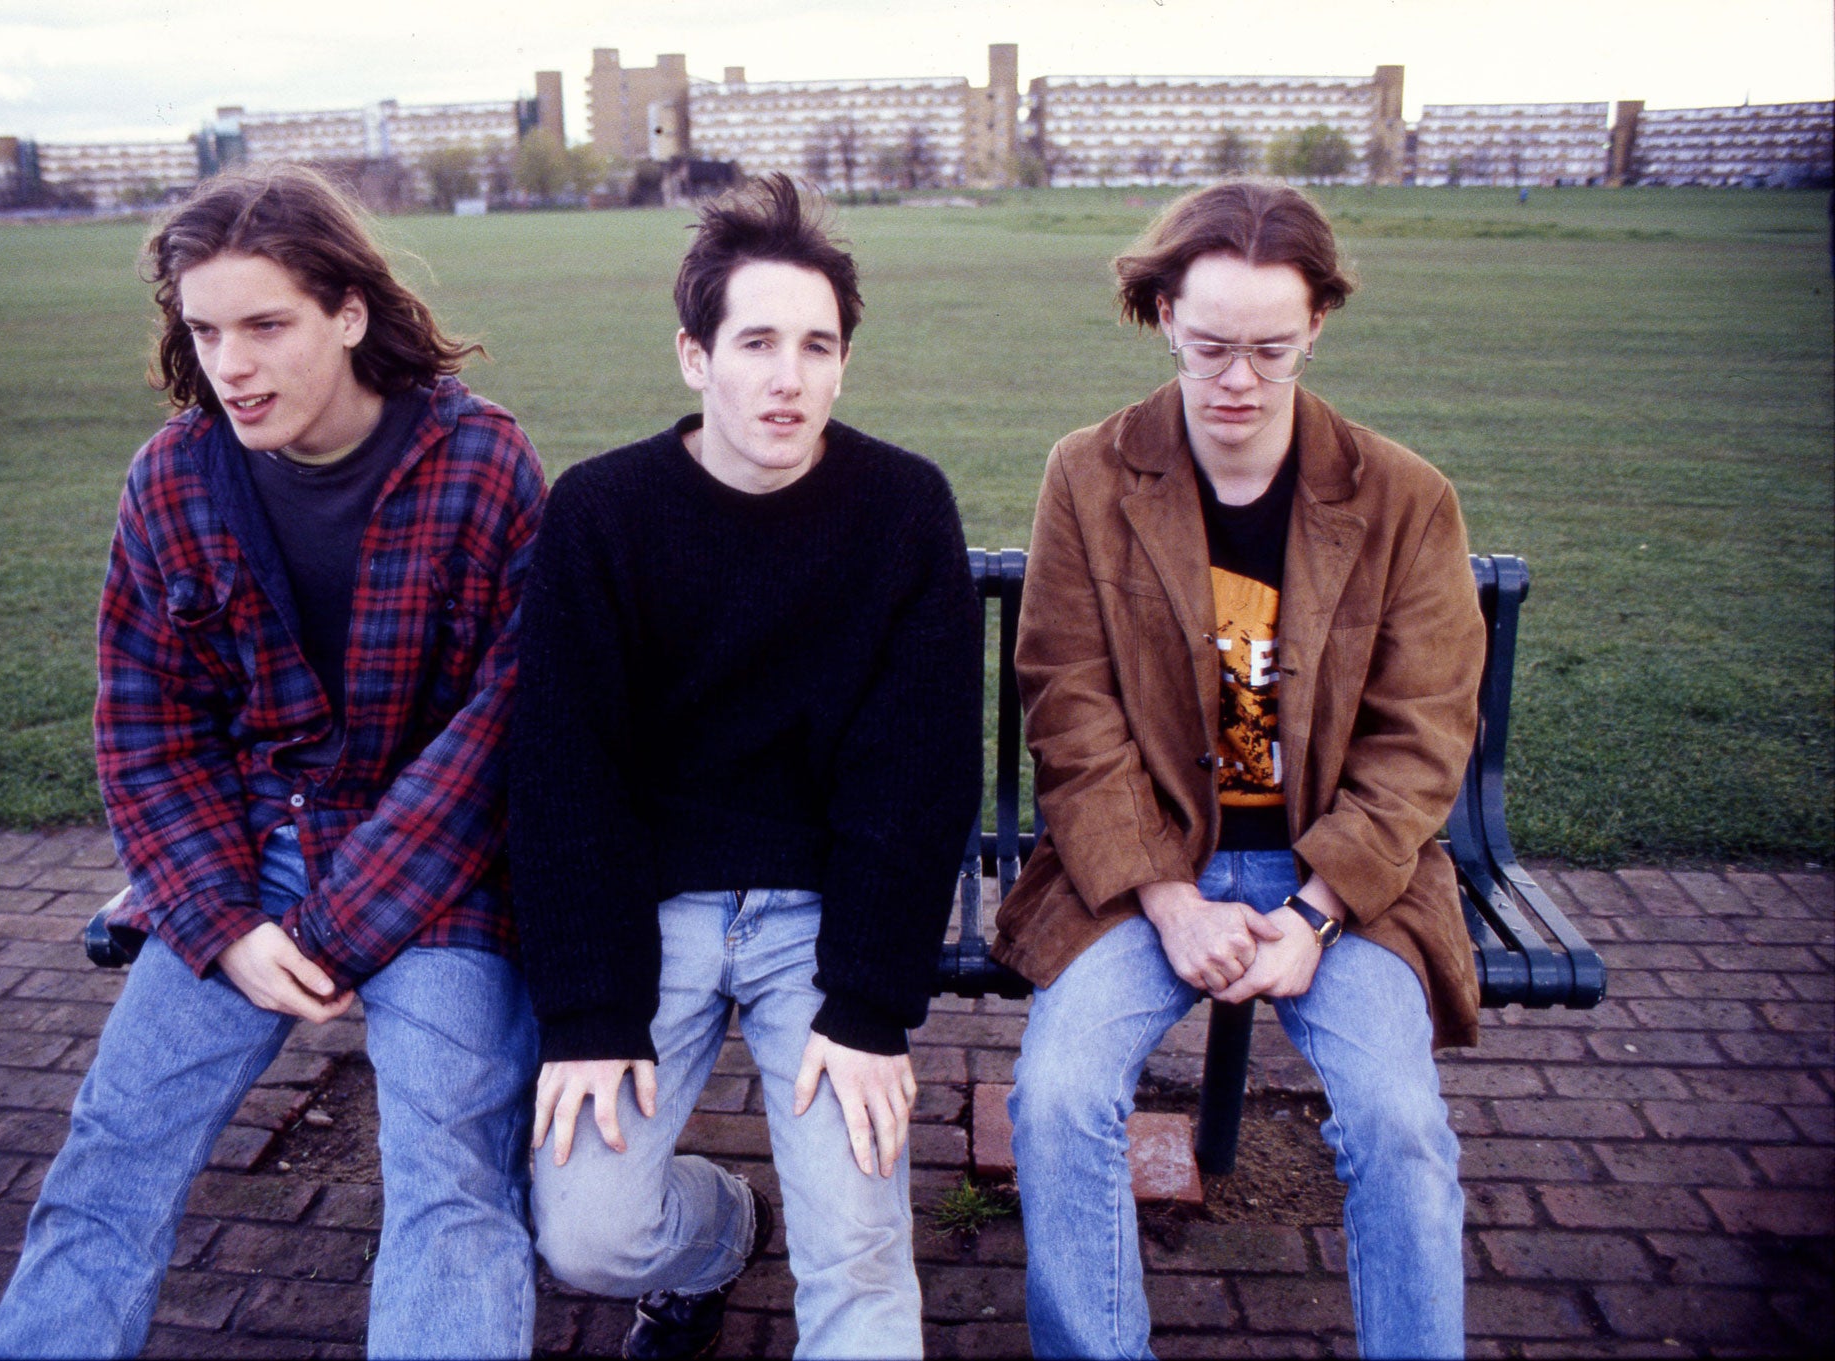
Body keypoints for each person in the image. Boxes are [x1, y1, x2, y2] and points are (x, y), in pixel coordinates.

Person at [0, 165, 544, 1359]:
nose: (232, 362)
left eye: (266, 324)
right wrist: (222, 920)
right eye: (206, 328)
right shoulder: (173, 480)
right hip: (242, 867)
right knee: (109, 1158)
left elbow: (499, 733)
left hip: (436, 880)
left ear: (346, 310)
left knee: (451, 1187)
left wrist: (340, 923)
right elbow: (147, 730)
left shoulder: (482, 464)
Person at [993, 179, 1484, 1361]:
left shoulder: (1403, 497)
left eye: (1271, 350)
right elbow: (1068, 706)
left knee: (1400, 1122)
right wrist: (1165, 894)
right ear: (1160, 311)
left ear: (1317, 323)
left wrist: (1313, 911)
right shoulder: (1090, 474)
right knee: (1055, 1099)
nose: (1236, 382)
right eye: (1209, 344)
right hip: (1144, 862)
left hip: (1347, 883)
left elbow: (1420, 740)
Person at [511, 173, 981, 1360]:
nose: (787, 376)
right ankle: (722, 1232)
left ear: (842, 363)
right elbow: (566, 772)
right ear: (692, 356)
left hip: (819, 921)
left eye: (815, 346)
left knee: (860, 1252)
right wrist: (588, 1013)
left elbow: (914, 773)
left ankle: (807, 1217)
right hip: (649, 912)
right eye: (756, 341)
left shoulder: (901, 506)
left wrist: (869, 1006)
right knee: (587, 1238)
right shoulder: (602, 510)